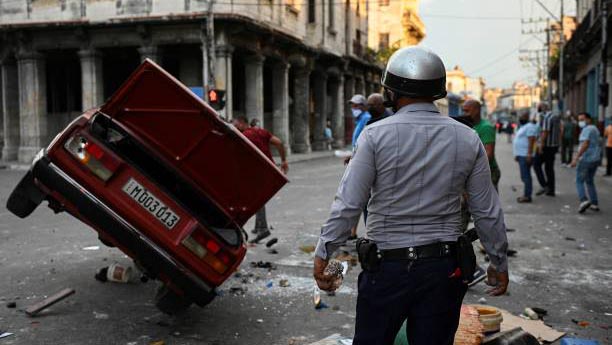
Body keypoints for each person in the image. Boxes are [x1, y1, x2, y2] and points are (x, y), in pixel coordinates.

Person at [313, 47, 509, 345]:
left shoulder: (374, 135)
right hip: (443, 271)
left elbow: (348, 204)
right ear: (438, 90)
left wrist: (323, 254)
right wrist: (498, 260)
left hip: (386, 270)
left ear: (391, 89)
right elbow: (486, 210)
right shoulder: (467, 138)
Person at [232, 116, 289, 242]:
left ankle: (262, 228)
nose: (234, 127)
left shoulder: (243, 136)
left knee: (252, 198)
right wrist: (284, 160)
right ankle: (259, 227)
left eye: (235, 124)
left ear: (242, 123)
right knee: (258, 198)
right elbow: (279, 142)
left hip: (256, 172)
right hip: (269, 171)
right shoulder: (261, 132)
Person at [346, 95, 372, 239]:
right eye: (352, 106)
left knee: (363, 200)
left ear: (362, 106)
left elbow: (365, 143)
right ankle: (352, 232)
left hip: (362, 164)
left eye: (356, 106)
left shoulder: (366, 118)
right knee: (358, 199)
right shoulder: (360, 119)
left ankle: (370, 234)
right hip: (357, 162)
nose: (353, 109)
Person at [462, 99, 501, 191]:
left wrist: (469, 168)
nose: (464, 114)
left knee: (488, 203)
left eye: (467, 111)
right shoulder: (469, 126)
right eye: (463, 111)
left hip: (488, 172)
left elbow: (489, 154)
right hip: (475, 171)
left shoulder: (486, 127)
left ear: (477, 110)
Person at [571, 112, 602, 213]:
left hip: (586, 159)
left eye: (583, 119)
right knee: (589, 180)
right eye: (579, 120)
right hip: (595, 159)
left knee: (579, 180)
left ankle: (583, 200)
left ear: (589, 119)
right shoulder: (595, 128)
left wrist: (576, 158)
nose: (581, 122)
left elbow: (585, 143)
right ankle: (594, 203)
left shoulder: (587, 129)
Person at [536, 103, 561, 196]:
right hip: (554, 145)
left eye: (539, 107)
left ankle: (545, 185)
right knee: (549, 168)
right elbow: (560, 130)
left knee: (536, 164)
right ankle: (551, 190)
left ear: (543, 108)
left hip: (547, 146)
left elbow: (545, 132)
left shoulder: (547, 118)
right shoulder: (556, 117)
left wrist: (541, 146)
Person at [513, 113, 539, 203]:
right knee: (524, 176)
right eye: (520, 116)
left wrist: (529, 154)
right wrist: (516, 154)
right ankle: (527, 194)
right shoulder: (523, 127)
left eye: (523, 116)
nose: (521, 118)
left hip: (525, 155)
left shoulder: (530, 126)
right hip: (521, 154)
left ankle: (527, 196)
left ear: (527, 118)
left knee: (526, 176)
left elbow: (531, 140)